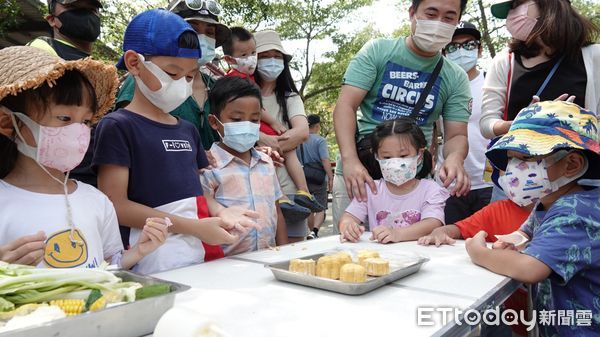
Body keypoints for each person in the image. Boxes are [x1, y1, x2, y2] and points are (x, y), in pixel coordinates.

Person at [92, 9, 258, 274]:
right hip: (149, 259)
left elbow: (196, 192)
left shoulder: (188, 130)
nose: (182, 84)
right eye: (172, 73)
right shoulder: (118, 127)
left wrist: (220, 211)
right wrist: (194, 227)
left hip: (196, 253)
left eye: (190, 76)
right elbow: (115, 206)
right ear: (134, 63)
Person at [0, 46, 168, 269]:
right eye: (64, 117)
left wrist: (139, 250)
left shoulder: (96, 201)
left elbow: (108, 266)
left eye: (86, 121)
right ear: (7, 122)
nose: (78, 131)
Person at [332, 0, 472, 228]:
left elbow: (456, 135)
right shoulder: (378, 51)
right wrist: (349, 160)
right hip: (360, 173)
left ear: (457, 21)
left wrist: (455, 158)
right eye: (431, 13)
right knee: (350, 250)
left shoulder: (455, 77)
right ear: (412, 13)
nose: (438, 23)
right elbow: (345, 106)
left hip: (413, 182)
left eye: (448, 17)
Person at [466, 100, 600, 337]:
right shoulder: (548, 201)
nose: (513, 168)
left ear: (572, 164)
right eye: (511, 158)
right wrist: (516, 240)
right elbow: (526, 232)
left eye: (525, 158)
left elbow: (531, 269)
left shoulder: (576, 211)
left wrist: (480, 253)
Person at [481, 0, 600, 203]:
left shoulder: (593, 56)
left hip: (578, 183)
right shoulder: (504, 61)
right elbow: (487, 124)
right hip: (517, 181)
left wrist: (571, 121)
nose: (511, 14)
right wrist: (525, 122)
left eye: (516, 4)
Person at [116, 0, 232, 150]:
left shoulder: (216, 86)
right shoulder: (143, 80)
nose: (201, 38)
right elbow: (131, 137)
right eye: (193, 29)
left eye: (210, 32)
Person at [201, 77, 288, 255]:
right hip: (225, 264)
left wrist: (284, 251)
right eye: (237, 119)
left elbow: (276, 211)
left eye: (254, 120)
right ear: (214, 122)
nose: (246, 126)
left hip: (268, 256)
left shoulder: (266, 162)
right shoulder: (208, 167)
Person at [254, 29, 322, 242]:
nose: (271, 61)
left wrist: (262, 143)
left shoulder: (290, 97)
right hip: (252, 189)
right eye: (264, 56)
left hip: (288, 190)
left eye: (276, 56)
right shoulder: (241, 93)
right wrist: (268, 140)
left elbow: (301, 132)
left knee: (293, 254)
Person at [339, 118, 449, 244]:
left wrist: (397, 234)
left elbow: (433, 223)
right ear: (376, 156)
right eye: (387, 157)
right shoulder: (371, 189)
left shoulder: (430, 190)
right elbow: (348, 218)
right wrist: (348, 227)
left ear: (419, 155)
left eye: (403, 156)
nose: (395, 162)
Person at [437, 22, 493, 224]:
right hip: (448, 184)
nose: (461, 51)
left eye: (469, 45)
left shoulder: (493, 84)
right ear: (444, 53)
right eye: (453, 47)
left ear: (479, 49)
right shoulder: (439, 87)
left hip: (489, 183)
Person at [297, 115, 333, 239]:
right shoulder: (320, 140)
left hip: (303, 177)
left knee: (308, 206)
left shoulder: (299, 140)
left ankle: (311, 231)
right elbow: (325, 160)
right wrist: (330, 176)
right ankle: (315, 231)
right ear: (317, 126)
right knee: (321, 206)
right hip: (318, 178)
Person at [28, 0, 103, 60]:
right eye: (73, 7)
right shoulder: (41, 50)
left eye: (92, 9)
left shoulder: (95, 65)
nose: (85, 15)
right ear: (52, 20)